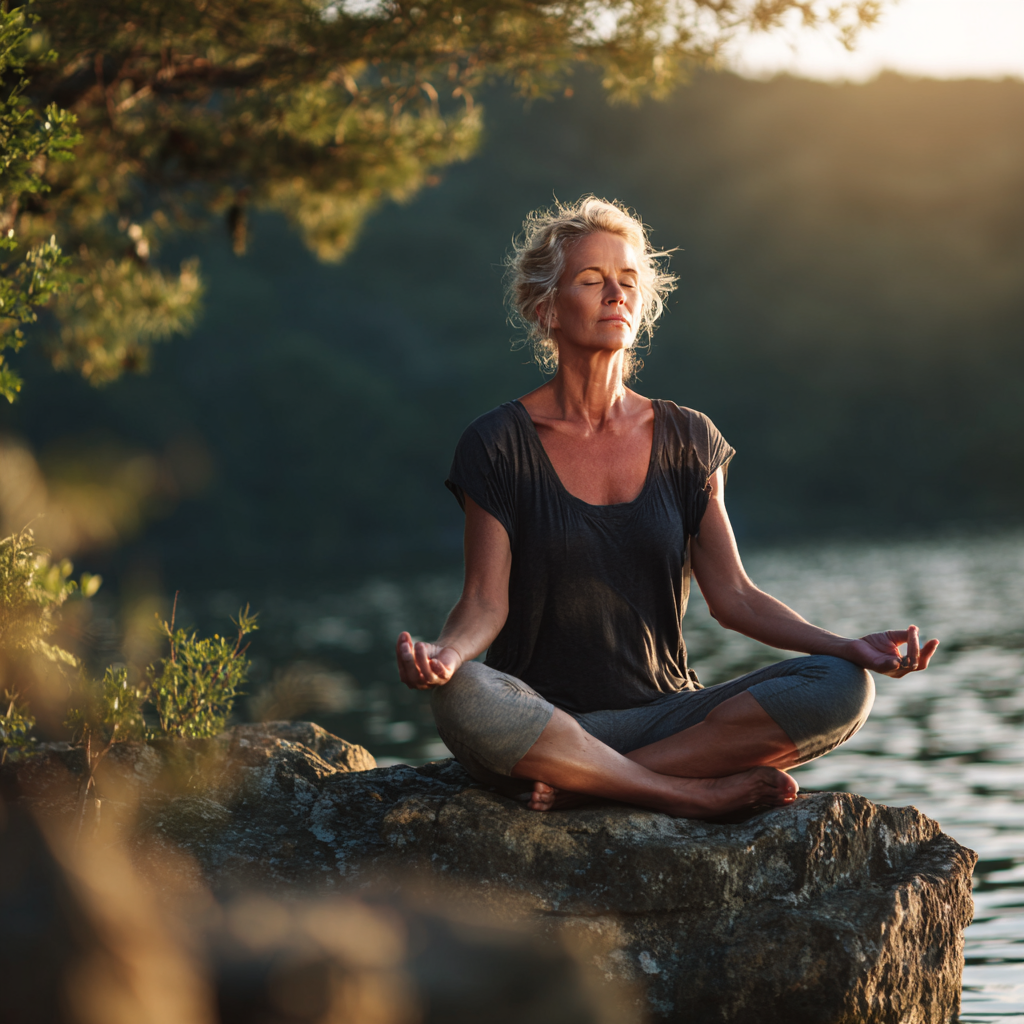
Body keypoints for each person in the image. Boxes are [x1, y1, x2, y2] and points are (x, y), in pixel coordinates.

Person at [395, 197, 938, 819]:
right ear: (546, 308)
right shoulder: (497, 443)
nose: (615, 295)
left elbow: (734, 597)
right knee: (462, 695)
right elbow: (485, 602)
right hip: (541, 719)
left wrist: (847, 645)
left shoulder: (688, 438)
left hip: (665, 717)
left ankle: (586, 783)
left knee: (841, 686)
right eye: (592, 281)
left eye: (628, 282)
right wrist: (447, 656)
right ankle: (682, 794)